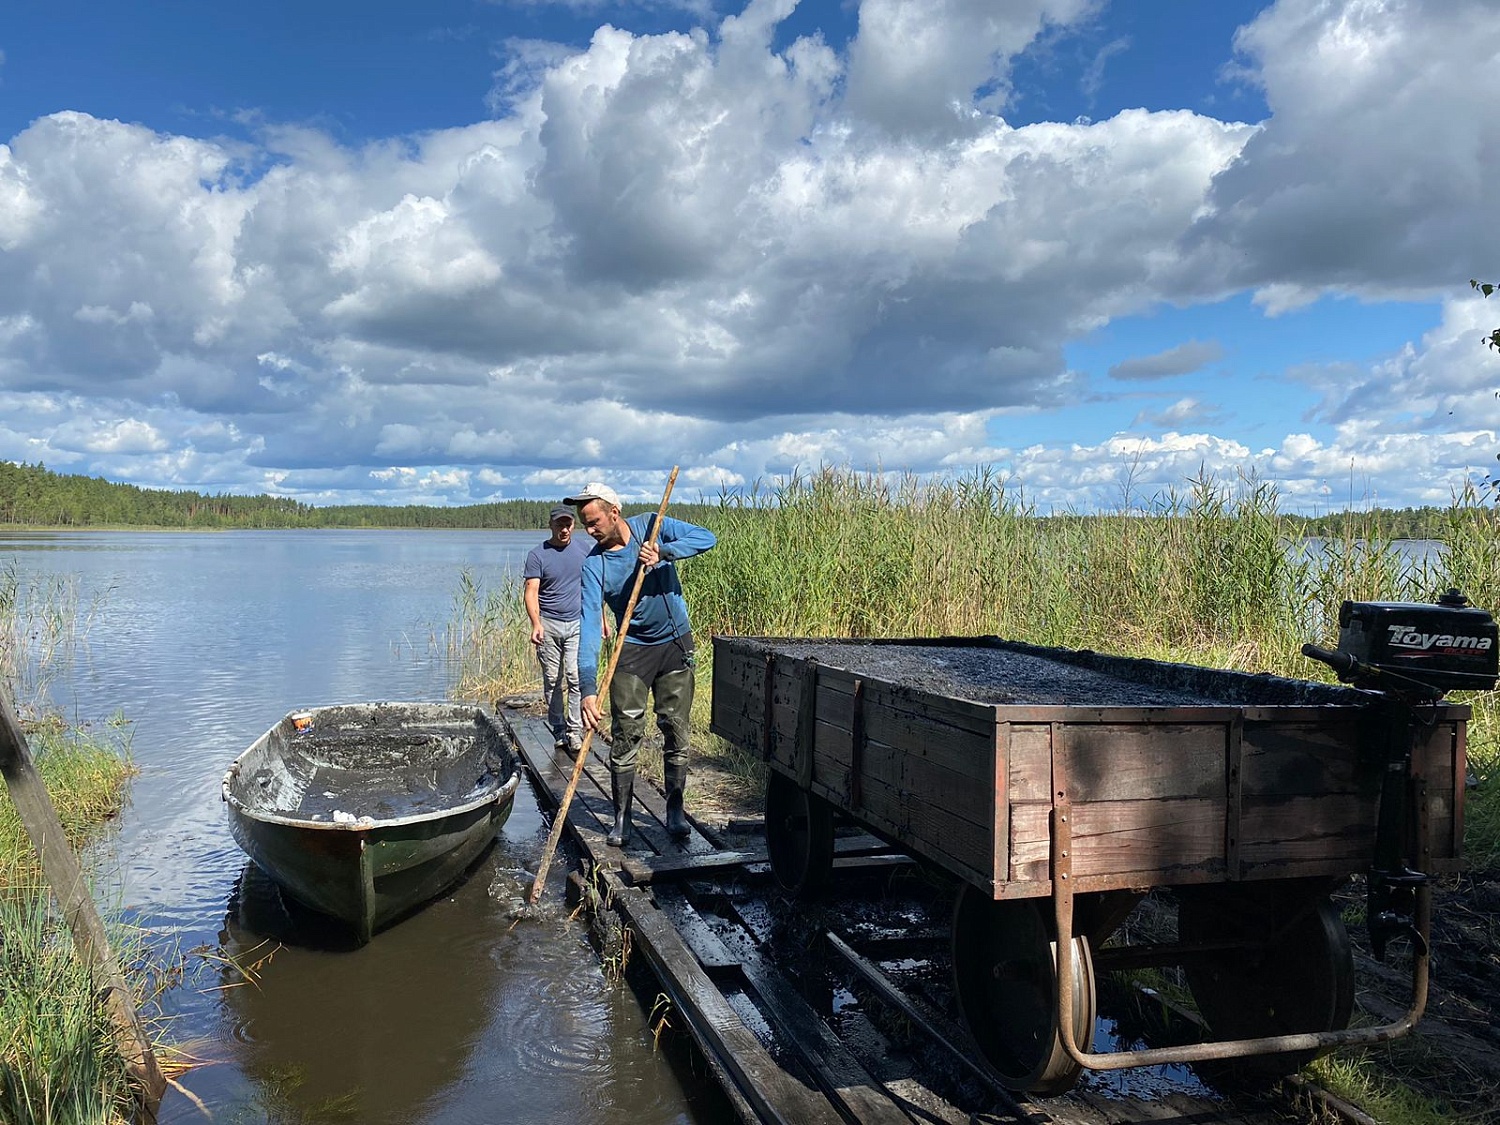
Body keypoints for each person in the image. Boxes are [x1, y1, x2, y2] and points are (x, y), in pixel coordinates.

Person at [565, 482, 716, 846]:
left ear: (614, 513)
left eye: (594, 521)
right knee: (626, 734)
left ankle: (675, 811)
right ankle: (622, 819)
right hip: (631, 651)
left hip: (675, 645)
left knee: (676, 729)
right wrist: (587, 688)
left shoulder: (653, 525)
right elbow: (588, 625)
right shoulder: (594, 565)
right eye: (585, 524)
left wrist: (663, 552)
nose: (590, 530)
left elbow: (706, 538)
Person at [522, 504, 593, 753]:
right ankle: (559, 729)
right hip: (549, 624)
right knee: (553, 680)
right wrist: (536, 624)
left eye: (568, 524)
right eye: (559, 524)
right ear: (550, 525)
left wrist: (601, 621)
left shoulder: (584, 550)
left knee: (575, 677)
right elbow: (531, 592)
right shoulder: (538, 554)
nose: (564, 529)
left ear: (574, 525)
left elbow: (594, 587)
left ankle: (575, 731)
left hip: (576, 623)